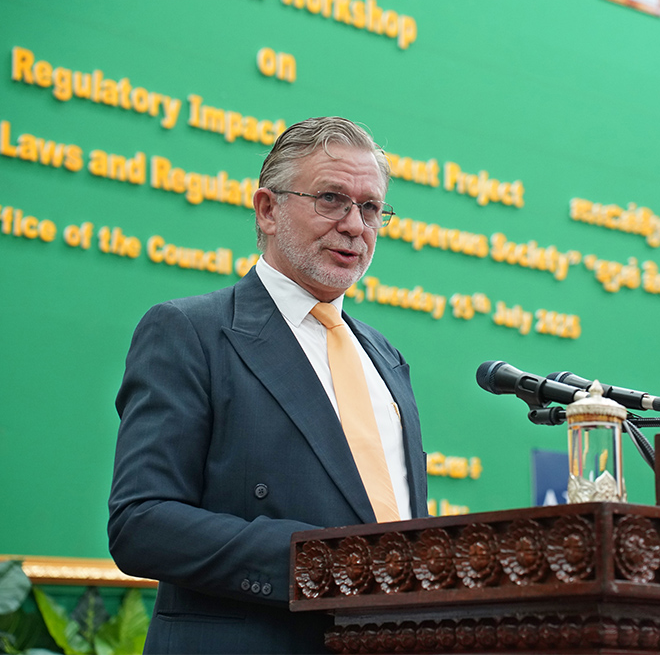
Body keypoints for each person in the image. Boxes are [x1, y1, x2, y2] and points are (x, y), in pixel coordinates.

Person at [108, 116, 428, 654]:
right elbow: (140, 523)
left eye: (371, 208)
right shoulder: (189, 332)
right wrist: (321, 564)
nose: (355, 225)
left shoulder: (385, 357)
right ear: (267, 210)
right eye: (331, 199)